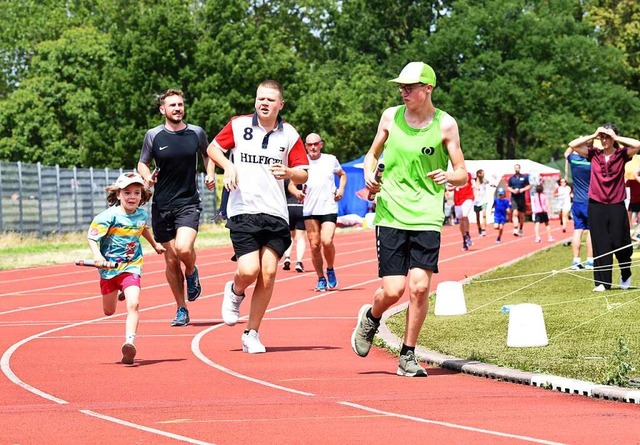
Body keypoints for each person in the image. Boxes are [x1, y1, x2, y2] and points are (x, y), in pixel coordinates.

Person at [350, 61, 468, 377]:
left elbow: (463, 172)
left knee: (418, 288)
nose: (403, 92)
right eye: (400, 87)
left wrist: (449, 175)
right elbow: (371, 155)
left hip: (427, 215)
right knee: (393, 290)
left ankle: (408, 355)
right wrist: (368, 176)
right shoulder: (390, 117)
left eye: (409, 87)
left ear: (427, 88)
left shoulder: (446, 124)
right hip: (391, 212)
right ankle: (371, 318)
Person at [207, 80, 309, 354]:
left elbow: (303, 172)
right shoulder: (239, 125)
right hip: (243, 210)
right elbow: (213, 148)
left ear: (280, 104)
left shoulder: (289, 133)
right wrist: (227, 165)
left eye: (270, 99)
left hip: (275, 212)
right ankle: (235, 290)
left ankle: (251, 332)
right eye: (260, 98)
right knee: (249, 270)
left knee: (269, 272)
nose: (264, 103)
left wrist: (288, 173)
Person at [138, 89, 216, 327]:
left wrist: (210, 173)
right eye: (172, 105)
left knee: (183, 248)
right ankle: (181, 308)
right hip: (162, 205)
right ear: (163, 109)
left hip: (188, 202)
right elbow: (143, 163)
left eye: (180, 104)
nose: (177, 108)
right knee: (171, 261)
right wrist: (147, 178)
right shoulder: (153, 135)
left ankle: (191, 271)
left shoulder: (196, 133)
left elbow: (209, 154)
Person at [87, 172, 165, 364]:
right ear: (118, 195)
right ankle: (119, 291)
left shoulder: (141, 214)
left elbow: (142, 228)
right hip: (109, 270)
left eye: (137, 193)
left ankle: (129, 343)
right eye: (127, 192)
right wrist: (97, 256)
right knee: (109, 311)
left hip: (131, 265)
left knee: (134, 304)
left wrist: (154, 245)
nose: (132, 197)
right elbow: (92, 237)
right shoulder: (108, 216)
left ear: (142, 195)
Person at [568, 123, 640, 291]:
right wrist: (594, 135)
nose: (605, 139)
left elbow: (637, 144)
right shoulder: (594, 154)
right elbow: (572, 145)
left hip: (616, 204)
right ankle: (602, 282)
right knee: (601, 243)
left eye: (608, 136)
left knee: (619, 241)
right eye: (603, 137)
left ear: (614, 138)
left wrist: (615, 137)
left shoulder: (622, 154)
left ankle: (625, 272)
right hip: (596, 204)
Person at [302, 133, 347, 291]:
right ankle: (321, 277)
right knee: (314, 245)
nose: (313, 147)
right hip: (309, 209)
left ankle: (330, 268)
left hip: (328, 206)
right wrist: (296, 192)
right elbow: (291, 184)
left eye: (316, 144)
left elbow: (342, 175)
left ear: (321, 144)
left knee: (326, 241)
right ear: (306, 146)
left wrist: (341, 189)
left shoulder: (330, 159)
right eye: (309, 144)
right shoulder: (301, 161)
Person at [564, 146, 594, 270]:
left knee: (578, 230)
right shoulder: (592, 162)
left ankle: (576, 261)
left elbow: (567, 152)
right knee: (591, 231)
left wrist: (575, 145)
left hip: (576, 201)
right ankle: (590, 261)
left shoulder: (574, 160)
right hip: (589, 201)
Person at [283, 179, 307, 273]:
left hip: (288, 207)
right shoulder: (305, 177)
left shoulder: (287, 178)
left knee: (290, 235)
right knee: (300, 237)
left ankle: (287, 257)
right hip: (301, 207)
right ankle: (299, 262)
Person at [451, 171, 474, 250]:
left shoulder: (468, 174)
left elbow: (473, 183)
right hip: (458, 201)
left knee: (465, 215)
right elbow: (450, 187)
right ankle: (464, 239)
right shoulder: (452, 176)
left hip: (468, 197)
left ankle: (467, 234)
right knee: (461, 220)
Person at [507, 164, 530, 236]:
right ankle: (515, 228)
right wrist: (512, 191)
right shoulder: (511, 178)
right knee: (515, 213)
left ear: (520, 169)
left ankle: (521, 227)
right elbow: (508, 187)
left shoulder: (524, 177)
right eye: (515, 168)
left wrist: (522, 190)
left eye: (518, 168)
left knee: (522, 215)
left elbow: (528, 186)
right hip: (514, 197)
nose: (516, 169)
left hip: (521, 197)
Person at [472, 169, 488, 236]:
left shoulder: (484, 181)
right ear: (478, 174)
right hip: (476, 201)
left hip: (483, 200)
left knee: (484, 215)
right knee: (477, 216)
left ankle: (484, 229)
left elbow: (488, 182)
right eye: (482, 173)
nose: (483, 175)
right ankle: (479, 228)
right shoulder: (473, 181)